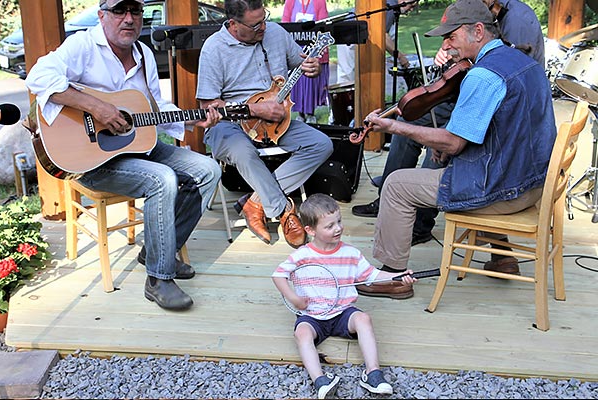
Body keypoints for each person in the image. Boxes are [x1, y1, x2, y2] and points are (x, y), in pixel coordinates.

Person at [26, 0, 222, 311]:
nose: (129, 19)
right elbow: (38, 77)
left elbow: (152, 109)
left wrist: (191, 118)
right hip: (91, 158)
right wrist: (96, 107)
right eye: (120, 11)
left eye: (135, 12)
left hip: (138, 147)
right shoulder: (83, 46)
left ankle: (159, 249)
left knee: (207, 169)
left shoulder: (143, 53)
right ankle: (159, 278)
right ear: (102, 14)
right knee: (163, 180)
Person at [360, 0, 556, 300]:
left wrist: (393, 128)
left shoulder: (482, 75)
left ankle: (393, 277)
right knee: (455, 162)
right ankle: (502, 255)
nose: (447, 45)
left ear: (478, 31)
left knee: (397, 185)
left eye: (451, 36)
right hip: (534, 183)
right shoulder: (524, 60)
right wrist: (451, 150)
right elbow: (501, 131)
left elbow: (453, 141)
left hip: (505, 190)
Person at [196, 0, 334, 249]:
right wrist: (253, 109)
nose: (263, 27)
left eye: (264, 19)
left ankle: (256, 201)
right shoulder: (214, 48)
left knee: (321, 144)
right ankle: (283, 211)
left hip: (276, 121)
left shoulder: (275, 32)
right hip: (230, 123)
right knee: (243, 152)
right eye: (255, 24)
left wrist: (311, 67)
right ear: (233, 24)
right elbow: (209, 106)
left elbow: (300, 62)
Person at [272, 193, 417, 399]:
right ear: (310, 230)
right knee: (302, 334)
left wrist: (397, 277)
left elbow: (372, 276)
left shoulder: (350, 253)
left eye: (339, 221)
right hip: (313, 316)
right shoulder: (302, 255)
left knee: (363, 319)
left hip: (342, 313)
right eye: (329, 226)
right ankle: (320, 381)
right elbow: (278, 275)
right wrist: (293, 297)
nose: (338, 228)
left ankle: (373, 374)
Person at [282, 0, 330, 124]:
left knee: (311, 82)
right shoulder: (290, 2)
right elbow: (284, 25)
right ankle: (300, 114)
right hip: (295, 50)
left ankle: (311, 113)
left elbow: (324, 25)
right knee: (298, 83)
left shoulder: (319, 2)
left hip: (313, 50)